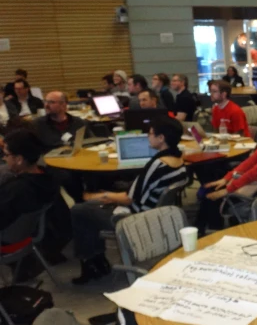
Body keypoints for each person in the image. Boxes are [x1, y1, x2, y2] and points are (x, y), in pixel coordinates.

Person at [69, 117, 189, 284]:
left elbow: (128, 199)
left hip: (136, 219)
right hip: (157, 212)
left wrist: (101, 196)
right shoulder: (179, 161)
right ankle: (96, 261)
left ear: (161, 138)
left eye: (151, 133)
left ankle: (92, 264)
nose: (148, 136)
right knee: (92, 207)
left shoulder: (157, 164)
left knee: (79, 209)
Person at [0, 129, 58, 230]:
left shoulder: (15, 190)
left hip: (8, 234)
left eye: (6, 155)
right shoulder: (49, 177)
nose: (4, 158)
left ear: (19, 159)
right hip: (27, 231)